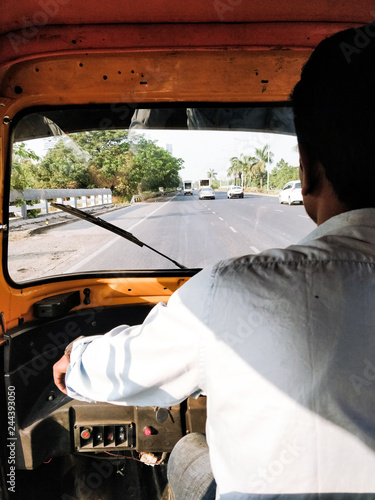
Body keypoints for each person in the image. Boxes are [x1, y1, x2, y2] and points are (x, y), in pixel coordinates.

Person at [54, 24, 375, 499]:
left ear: (307, 170)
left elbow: (124, 368)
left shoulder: (233, 291)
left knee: (186, 447)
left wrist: (75, 357)